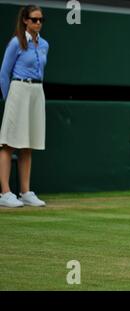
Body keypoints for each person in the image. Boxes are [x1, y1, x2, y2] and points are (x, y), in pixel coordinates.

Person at [0, 5, 48, 207]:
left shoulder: (44, 44)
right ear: (25, 21)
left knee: (29, 143)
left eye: (41, 20)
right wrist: (8, 99)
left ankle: (25, 191)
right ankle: (5, 193)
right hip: (18, 90)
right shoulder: (15, 43)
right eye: (35, 19)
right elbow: (4, 73)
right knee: (9, 142)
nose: (38, 23)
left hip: (37, 92)